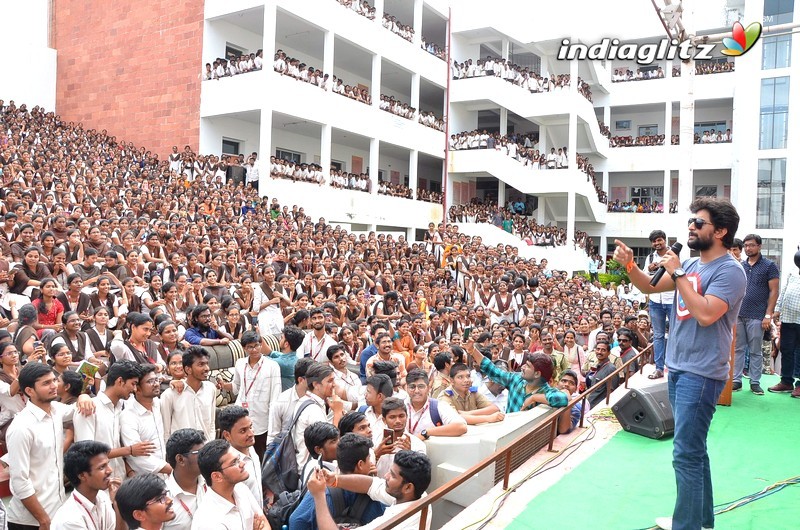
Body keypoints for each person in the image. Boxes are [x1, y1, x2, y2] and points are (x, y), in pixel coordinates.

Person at [613, 198, 746, 530]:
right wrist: (630, 265)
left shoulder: (731, 271)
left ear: (722, 231)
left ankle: (686, 525)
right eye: (690, 221)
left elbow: (704, 314)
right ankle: (702, 521)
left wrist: (678, 271)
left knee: (685, 453)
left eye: (698, 223)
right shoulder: (693, 265)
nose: (690, 227)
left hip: (702, 373)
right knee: (694, 450)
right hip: (680, 366)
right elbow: (648, 285)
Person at [6, 362, 93, 530]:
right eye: (46, 383)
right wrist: (43, 519)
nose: (54, 386)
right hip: (30, 521)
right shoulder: (21, 427)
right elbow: (19, 482)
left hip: (55, 512)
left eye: (54, 380)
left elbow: (77, 408)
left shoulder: (55, 410)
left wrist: (84, 396)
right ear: (29, 391)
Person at [309, 450, 432, 530]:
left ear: (408, 487)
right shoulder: (420, 496)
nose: (386, 476)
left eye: (393, 475)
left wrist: (319, 495)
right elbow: (371, 485)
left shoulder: (394, 523)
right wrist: (334, 480)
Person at [288, 433, 386, 528]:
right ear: (360, 464)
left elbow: (296, 520)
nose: (371, 464)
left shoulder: (320, 491)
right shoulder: (376, 496)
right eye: (369, 459)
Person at [73, 359, 146, 482]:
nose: (134, 389)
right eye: (133, 384)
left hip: (121, 481)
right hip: (99, 485)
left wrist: (129, 471)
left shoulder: (121, 407)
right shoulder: (89, 408)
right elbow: (87, 452)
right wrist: (130, 450)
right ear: (120, 381)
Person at [732, 234, 780, 394]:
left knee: (755, 350)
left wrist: (768, 315)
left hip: (757, 315)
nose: (748, 248)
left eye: (751, 245)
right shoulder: (741, 266)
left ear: (759, 246)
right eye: (746, 245)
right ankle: (736, 380)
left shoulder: (769, 266)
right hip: (739, 313)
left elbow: (774, 291)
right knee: (738, 349)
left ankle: (754, 382)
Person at [223, 330, 281, 458]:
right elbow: (237, 387)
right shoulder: (240, 363)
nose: (254, 349)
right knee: (240, 453)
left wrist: (273, 426)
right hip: (241, 414)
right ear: (244, 348)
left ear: (261, 345)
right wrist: (224, 385)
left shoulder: (272, 366)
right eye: (250, 347)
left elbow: (275, 397)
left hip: (262, 418)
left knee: (261, 454)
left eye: (256, 345)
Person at [466, 341, 568, 413]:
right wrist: (473, 350)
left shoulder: (546, 391)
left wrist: (534, 397)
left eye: (527, 366)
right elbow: (494, 371)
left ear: (537, 374)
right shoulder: (516, 379)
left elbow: (563, 399)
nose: (522, 367)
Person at [192, 439, 266, 530]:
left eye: (238, 458)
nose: (242, 463)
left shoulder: (241, 488)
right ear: (217, 476)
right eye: (234, 462)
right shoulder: (208, 521)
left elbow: (264, 522)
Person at [51, 440, 122, 530]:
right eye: (102, 467)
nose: (110, 470)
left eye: (108, 464)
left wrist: (118, 504)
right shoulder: (69, 519)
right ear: (82, 476)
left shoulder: (102, 498)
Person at [120, 364, 171, 476]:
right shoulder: (128, 417)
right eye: (150, 381)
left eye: (156, 379)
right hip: (144, 480)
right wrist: (171, 470)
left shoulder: (159, 404)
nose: (156, 384)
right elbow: (138, 456)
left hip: (166, 475)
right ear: (137, 389)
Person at [161, 346, 217, 441]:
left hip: (206, 448)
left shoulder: (210, 389)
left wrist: (210, 444)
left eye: (207, 364)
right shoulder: (170, 395)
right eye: (201, 364)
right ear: (188, 369)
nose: (207, 368)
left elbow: (211, 423)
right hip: (182, 452)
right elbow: (166, 431)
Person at [644, 230, 675, 380]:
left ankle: (674, 367)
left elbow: (680, 274)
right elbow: (644, 278)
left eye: (659, 240)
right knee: (658, 335)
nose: (657, 243)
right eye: (654, 241)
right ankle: (659, 368)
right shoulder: (650, 258)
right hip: (656, 300)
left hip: (672, 299)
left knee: (676, 333)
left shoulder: (674, 255)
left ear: (665, 240)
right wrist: (649, 269)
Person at [769, 249, 800, 397]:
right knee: (787, 349)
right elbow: (784, 292)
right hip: (789, 317)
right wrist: (777, 310)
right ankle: (786, 381)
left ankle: (799, 384)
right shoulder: (793, 270)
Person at [218, 406, 263, 506]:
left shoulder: (250, 448)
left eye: (251, 427)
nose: (251, 433)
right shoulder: (227, 465)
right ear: (227, 435)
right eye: (243, 431)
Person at [404, 369, 467, 440]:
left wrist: (426, 433)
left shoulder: (438, 406)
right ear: (406, 388)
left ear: (428, 388)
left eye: (421, 386)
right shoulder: (400, 406)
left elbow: (461, 426)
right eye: (412, 387)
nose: (416, 391)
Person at [164, 429, 207, 530]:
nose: (206, 457)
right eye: (200, 453)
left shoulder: (213, 484)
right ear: (180, 459)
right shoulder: (163, 498)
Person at [438, 363, 503, 424]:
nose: (466, 380)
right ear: (452, 381)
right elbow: (456, 419)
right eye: (460, 377)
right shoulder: (445, 396)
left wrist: (469, 413)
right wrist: (488, 418)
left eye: (468, 376)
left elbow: (494, 409)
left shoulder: (472, 392)